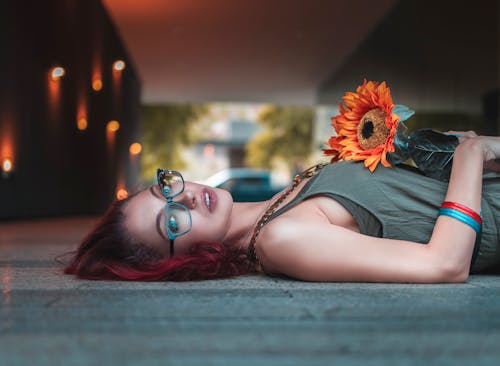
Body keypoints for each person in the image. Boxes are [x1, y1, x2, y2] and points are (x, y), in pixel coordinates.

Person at [64, 133, 500, 283]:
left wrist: (453, 152)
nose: (188, 197)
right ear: (184, 263)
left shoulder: (278, 205)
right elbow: (445, 263)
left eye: (167, 189)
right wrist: (470, 156)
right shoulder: (281, 239)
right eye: (173, 221)